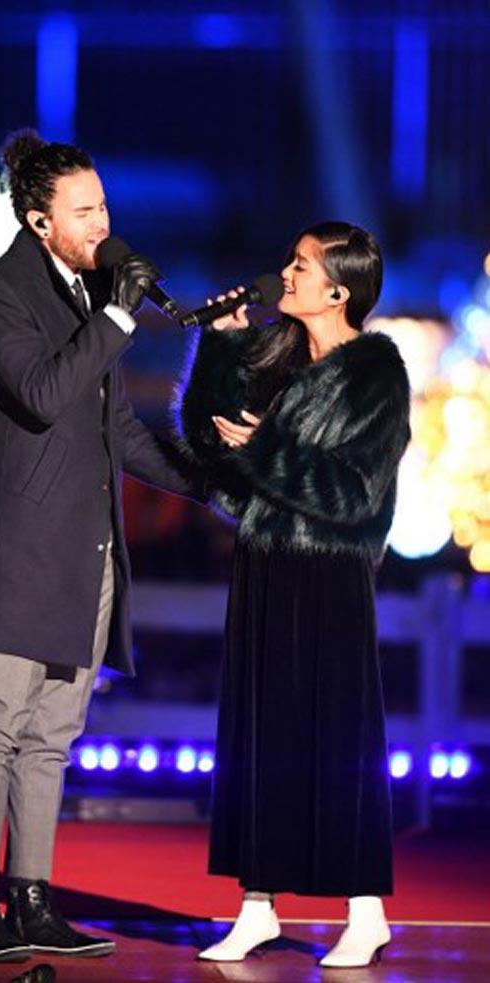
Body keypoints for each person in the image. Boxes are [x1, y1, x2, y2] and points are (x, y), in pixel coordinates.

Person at [0, 130, 204, 962]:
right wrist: (123, 313)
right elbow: (43, 393)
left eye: (104, 206)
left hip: (88, 549)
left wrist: (209, 483)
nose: (103, 224)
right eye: (84, 211)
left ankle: (33, 898)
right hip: (23, 546)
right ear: (37, 220)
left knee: (53, 733)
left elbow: (115, 428)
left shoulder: (89, 299)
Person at [176, 222, 411, 968]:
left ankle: (365, 909)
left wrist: (265, 450)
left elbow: (350, 492)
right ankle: (256, 904)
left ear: (339, 290)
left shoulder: (375, 374)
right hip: (265, 568)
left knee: (338, 744)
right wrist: (219, 345)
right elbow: (213, 454)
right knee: (257, 739)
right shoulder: (277, 358)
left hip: (331, 573)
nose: (287, 272)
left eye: (302, 265)